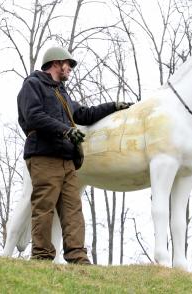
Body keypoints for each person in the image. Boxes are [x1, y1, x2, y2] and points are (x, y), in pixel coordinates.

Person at [17, 46, 132, 264]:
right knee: (44, 207)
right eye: (68, 64)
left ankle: (78, 257)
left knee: (73, 211)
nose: (70, 68)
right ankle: (41, 256)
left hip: (67, 161)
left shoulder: (62, 93)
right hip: (44, 156)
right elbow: (33, 116)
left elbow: (85, 114)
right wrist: (65, 130)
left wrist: (114, 106)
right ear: (55, 63)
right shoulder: (32, 85)